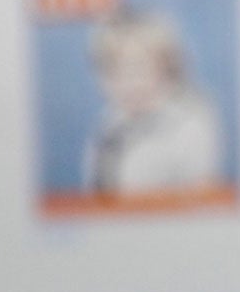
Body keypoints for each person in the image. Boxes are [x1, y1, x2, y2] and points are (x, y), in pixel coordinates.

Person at [84, 11, 223, 198]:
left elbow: (202, 199)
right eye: (112, 70)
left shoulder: (189, 127)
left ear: (165, 67)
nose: (125, 83)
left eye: (137, 68)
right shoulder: (111, 123)